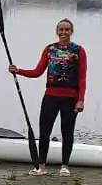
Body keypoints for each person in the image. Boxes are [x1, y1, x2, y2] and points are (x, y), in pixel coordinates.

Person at [9, 17, 87, 176]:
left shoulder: (78, 51)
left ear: (72, 32)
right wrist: (18, 70)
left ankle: (65, 165)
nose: (63, 32)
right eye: (61, 29)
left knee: (67, 132)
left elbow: (82, 78)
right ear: (57, 32)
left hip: (70, 98)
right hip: (50, 96)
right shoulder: (49, 49)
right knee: (44, 132)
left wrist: (81, 100)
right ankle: (41, 166)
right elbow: (37, 72)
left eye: (67, 30)